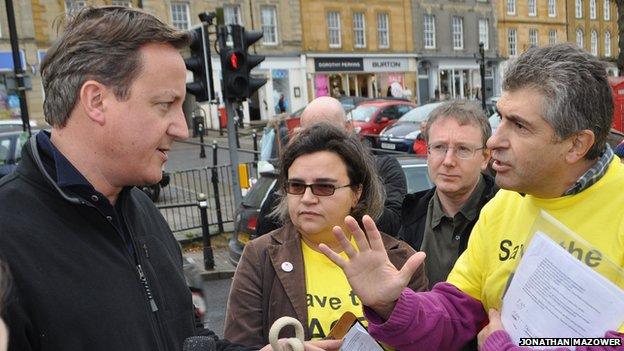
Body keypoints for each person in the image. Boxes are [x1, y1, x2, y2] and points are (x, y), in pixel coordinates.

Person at [0, 7, 341, 351]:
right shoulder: (8, 237)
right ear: (96, 101)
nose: (182, 128)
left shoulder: (141, 210)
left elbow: (187, 340)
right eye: (165, 104)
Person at [318, 43, 624, 351]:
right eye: (500, 118)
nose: (494, 139)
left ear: (576, 145)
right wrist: (393, 305)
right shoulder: (503, 206)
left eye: (519, 126)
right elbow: (455, 314)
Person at [223, 124, 428, 349]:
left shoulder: (399, 259)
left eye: (324, 187)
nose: (308, 198)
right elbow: (237, 345)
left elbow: (427, 343)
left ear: (356, 193)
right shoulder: (260, 256)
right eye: (297, 186)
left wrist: (387, 309)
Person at [255, 96, 407, 237]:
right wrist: (294, 163)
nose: (319, 139)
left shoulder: (384, 166)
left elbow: (393, 224)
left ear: (347, 128)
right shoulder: (297, 171)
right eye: (310, 132)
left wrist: (345, 200)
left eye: (329, 132)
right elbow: (267, 225)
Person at [400, 100, 498, 289]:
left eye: (463, 149)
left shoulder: (506, 214)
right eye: (439, 147)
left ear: (485, 158)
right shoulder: (407, 217)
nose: (448, 161)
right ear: (427, 152)